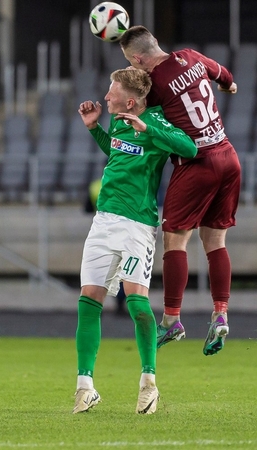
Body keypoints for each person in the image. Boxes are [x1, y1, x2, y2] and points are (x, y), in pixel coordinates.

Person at [73, 69, 197, 415]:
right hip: (103, 222)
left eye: (111, 92)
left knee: (137, 304)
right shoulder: (118, 122)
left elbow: (189, 147)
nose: (106, 97)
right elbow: (118, 154)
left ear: (130, 101)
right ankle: (85, 387)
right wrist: (94, 128)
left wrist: (148, 129)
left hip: (137, 225)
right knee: (88, 301)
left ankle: (149, 383)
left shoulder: (155, 121)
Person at [120, 26, 241, 356]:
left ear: (137, 59)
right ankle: (220, 314)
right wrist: (228, 86)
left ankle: (172, 319)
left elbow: (140, 111)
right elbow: (225, 76)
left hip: (197, 164)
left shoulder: (154, 84)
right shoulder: (191, 56)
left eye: (131, 61)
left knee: (175, 240)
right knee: (215, 241)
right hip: (228, 157)